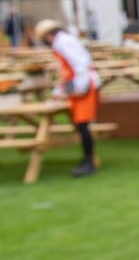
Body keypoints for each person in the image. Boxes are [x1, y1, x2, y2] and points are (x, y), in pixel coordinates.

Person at [35, 19, 101, 177]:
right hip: (79, 84)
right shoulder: (63, 42)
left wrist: (80, 87)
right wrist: (61, 90)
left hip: (83, 85)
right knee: (80, 124)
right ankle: (87, 159)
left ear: (48, 35)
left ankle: (88, 162)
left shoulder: (63, 43)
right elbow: (66, 70)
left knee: (83, 124)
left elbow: (80, 65)